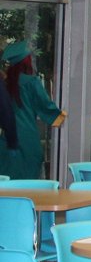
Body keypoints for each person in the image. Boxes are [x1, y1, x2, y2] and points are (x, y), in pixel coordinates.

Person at [2, 40, 65, 178]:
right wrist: (59, 116)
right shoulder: (31, 82)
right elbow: (44, 105)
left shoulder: (4, 84)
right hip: (27, 138)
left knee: (7, 181)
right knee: (27, 182)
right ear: (27, 61)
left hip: (5, 139)